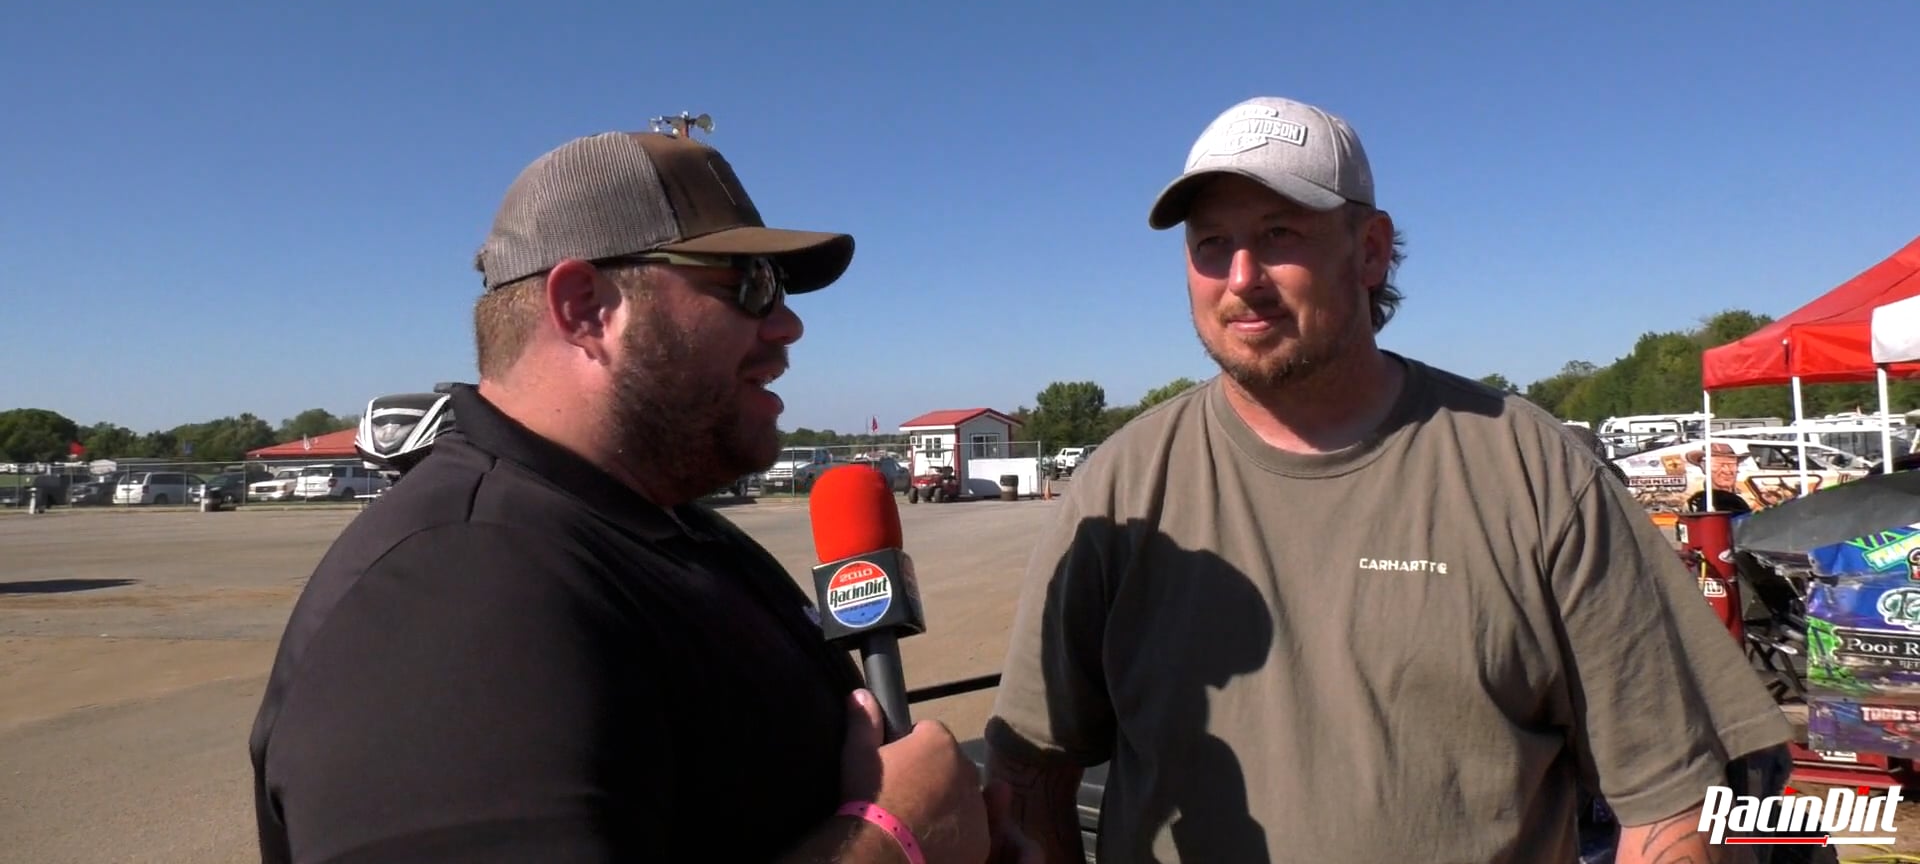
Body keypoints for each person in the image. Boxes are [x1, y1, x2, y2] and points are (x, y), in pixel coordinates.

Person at [983, 97, 1794, 863]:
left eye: (1277, 234)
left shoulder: (1532, 471)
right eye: (1209, 244)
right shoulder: (1121, 489)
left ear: (1369, 250)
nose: (1240, 278)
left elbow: (1674, 801)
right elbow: (1030, 774)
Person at [250, 126, 1030, 863]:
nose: (789, 324)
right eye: (752, 285)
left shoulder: (664, 529)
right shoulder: (455, 590)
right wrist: (895, 838)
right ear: (586, 307)